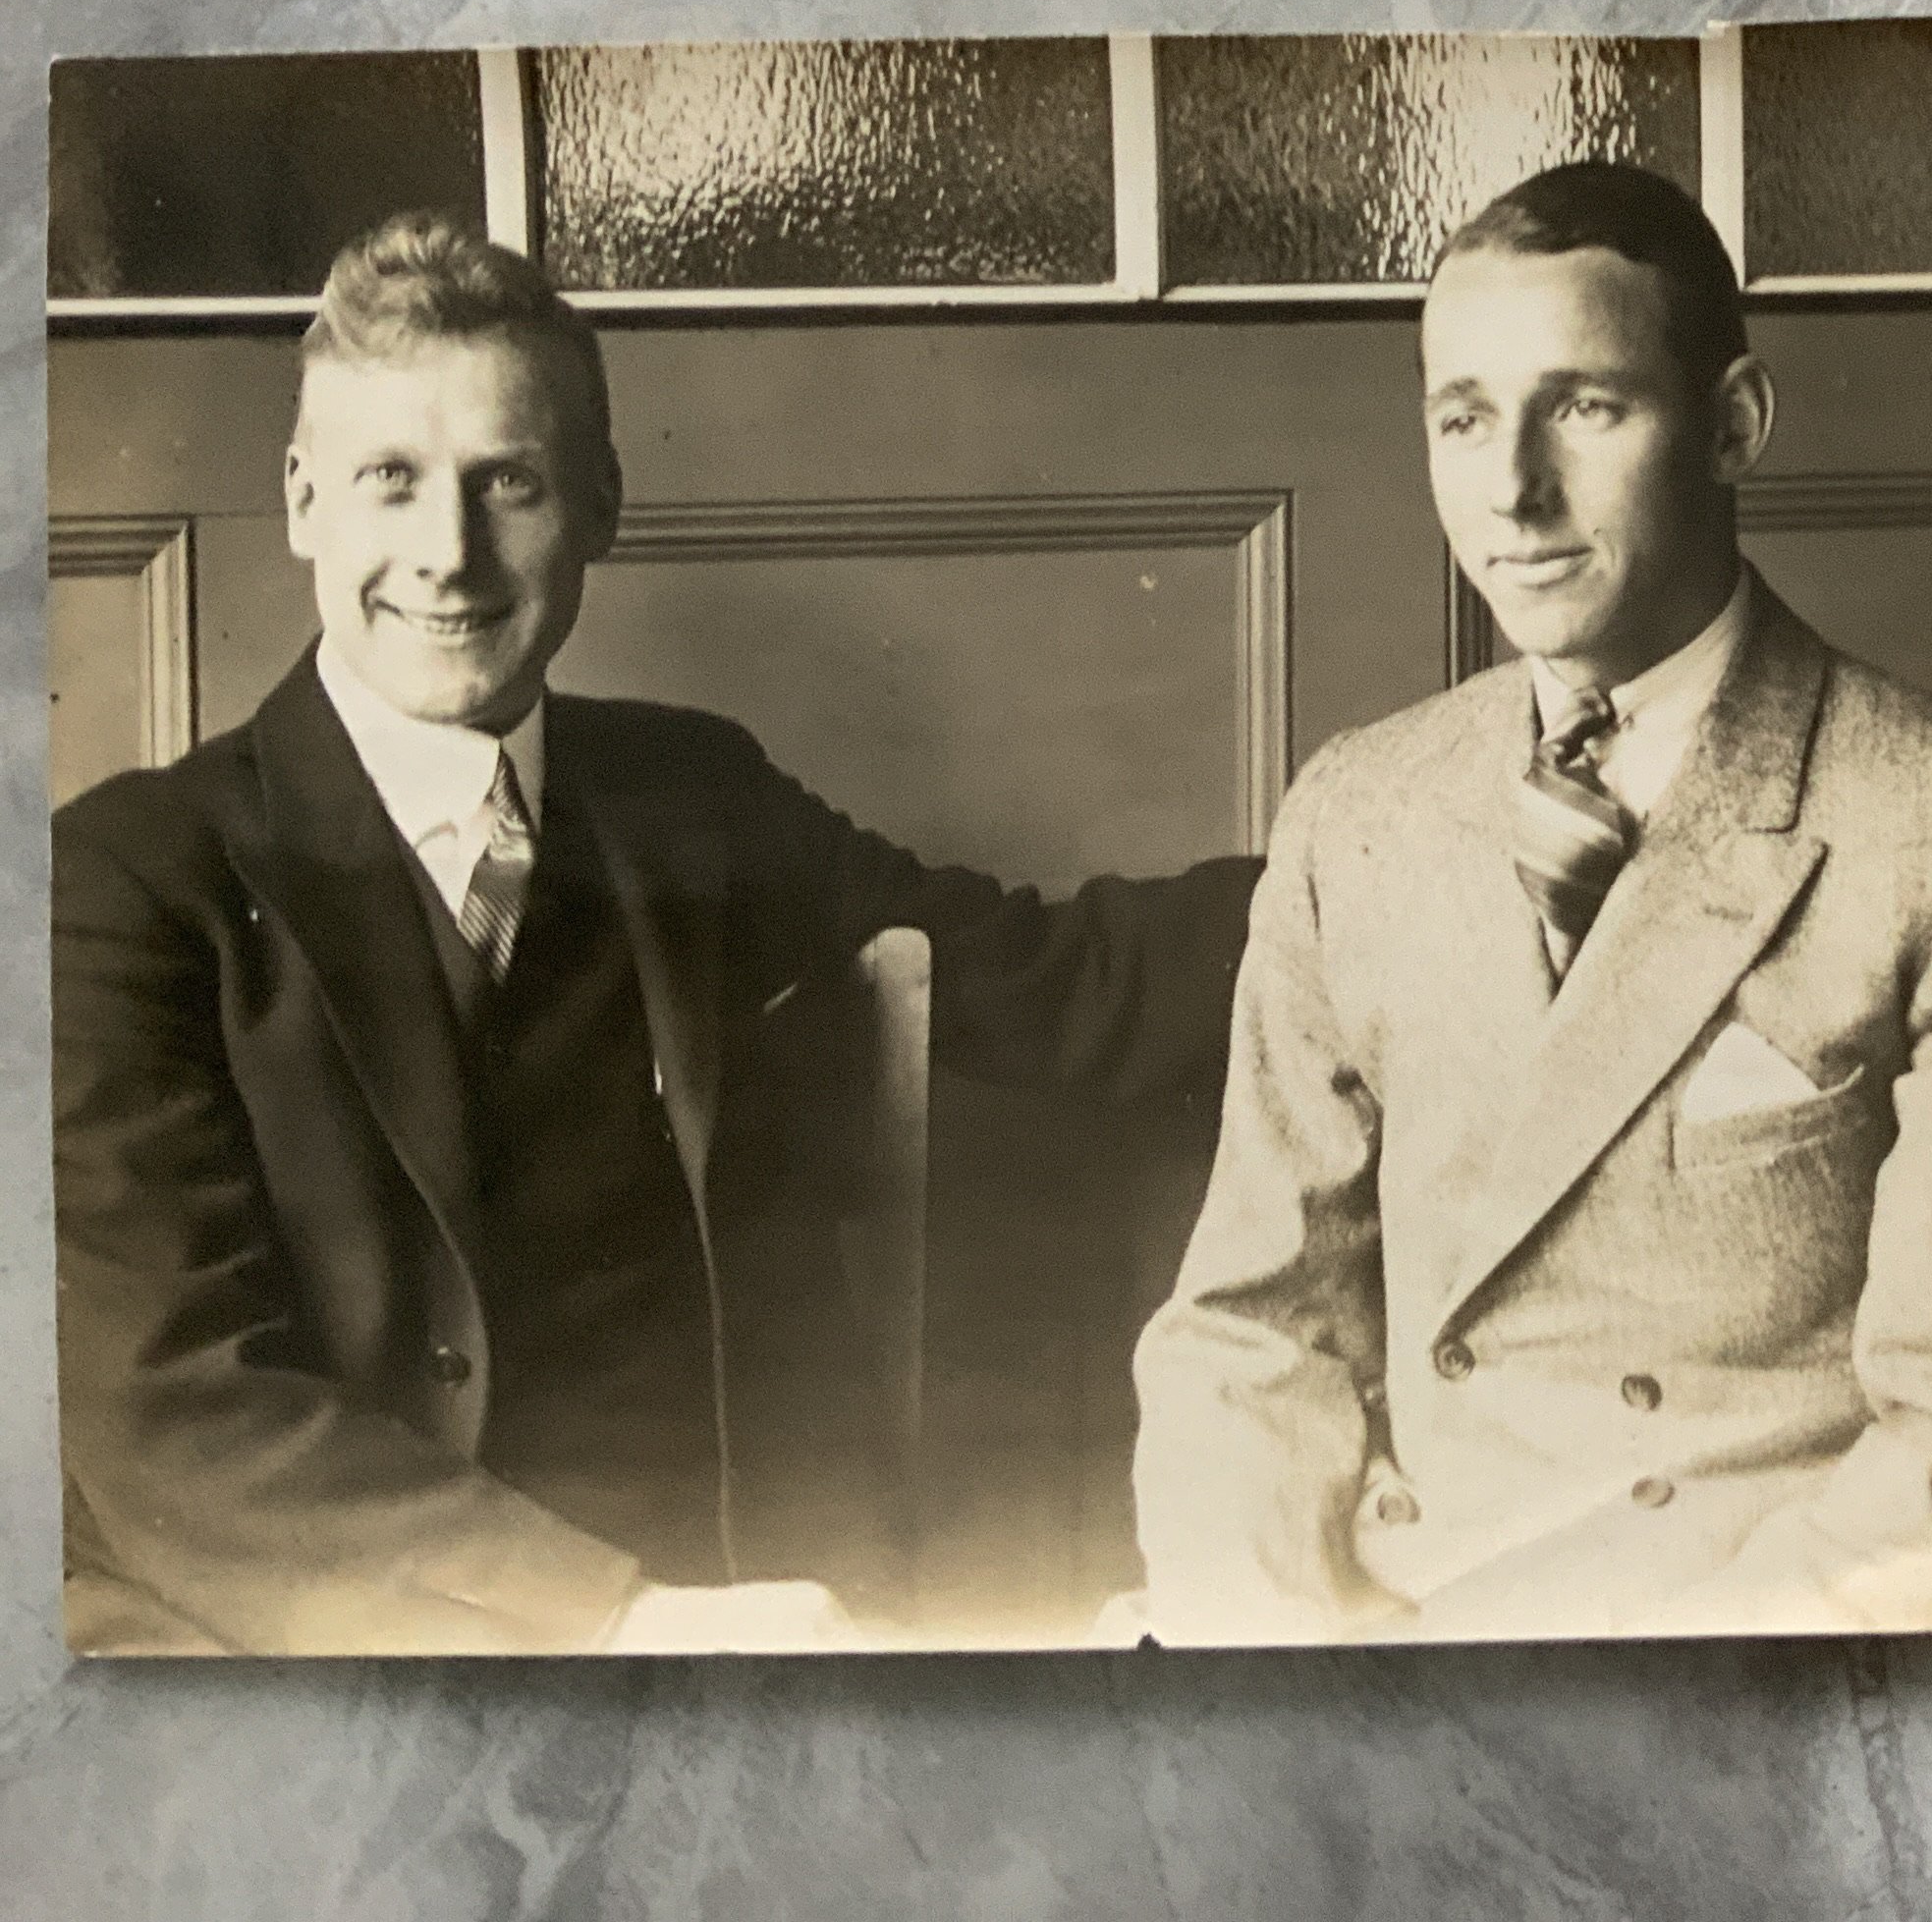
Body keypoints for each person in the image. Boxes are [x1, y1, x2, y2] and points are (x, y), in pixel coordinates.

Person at [52, 214, 1256, 1654]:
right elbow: (168, 1417)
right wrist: (617, 1623)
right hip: (299, 1650)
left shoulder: (693, 799)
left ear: (602, 507)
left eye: (509, 483)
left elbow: (1057, 986)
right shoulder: (122, 879)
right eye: (390, 482)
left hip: (730, 1614)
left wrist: (1401, 849)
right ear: (304, 502)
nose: (447, 555)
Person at [1131, 161, 1932, 1642]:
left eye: (1586, 407)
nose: (1512, 491)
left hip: (1746, 1658)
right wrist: (1291, 1664)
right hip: (1399, 1630)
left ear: (1734, 424)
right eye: (1464, 418)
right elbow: (1245, 1332)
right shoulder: (1359, 809)